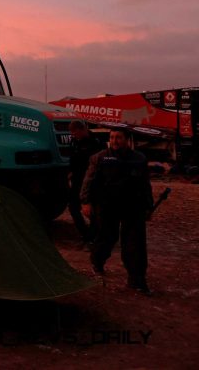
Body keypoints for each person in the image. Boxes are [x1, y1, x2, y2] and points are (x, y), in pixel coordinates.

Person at [80, 127, 153, 294]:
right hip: (107, 206)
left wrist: (148, 206)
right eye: (112, 137)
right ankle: (97, 262)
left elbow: (144, 185)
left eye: (118, 137)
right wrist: (85, 202)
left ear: (127, 139)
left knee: (135, 244)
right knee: (107, 237)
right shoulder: (100, 158)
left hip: (133, 207)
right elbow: (88, 181)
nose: (114, 141)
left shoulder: (139, 159)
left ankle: (137, 280)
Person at [67, 120, 102, 243]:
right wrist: (70, 173)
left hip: (91, 180)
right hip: (77, 180)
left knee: (92, 209)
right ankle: (85, 233)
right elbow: (72, 158)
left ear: (82, 130)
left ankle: (93, 236)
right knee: (73, 207)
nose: (73, 135)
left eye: (74, 132)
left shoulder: (96, 143)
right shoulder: (74, 142)